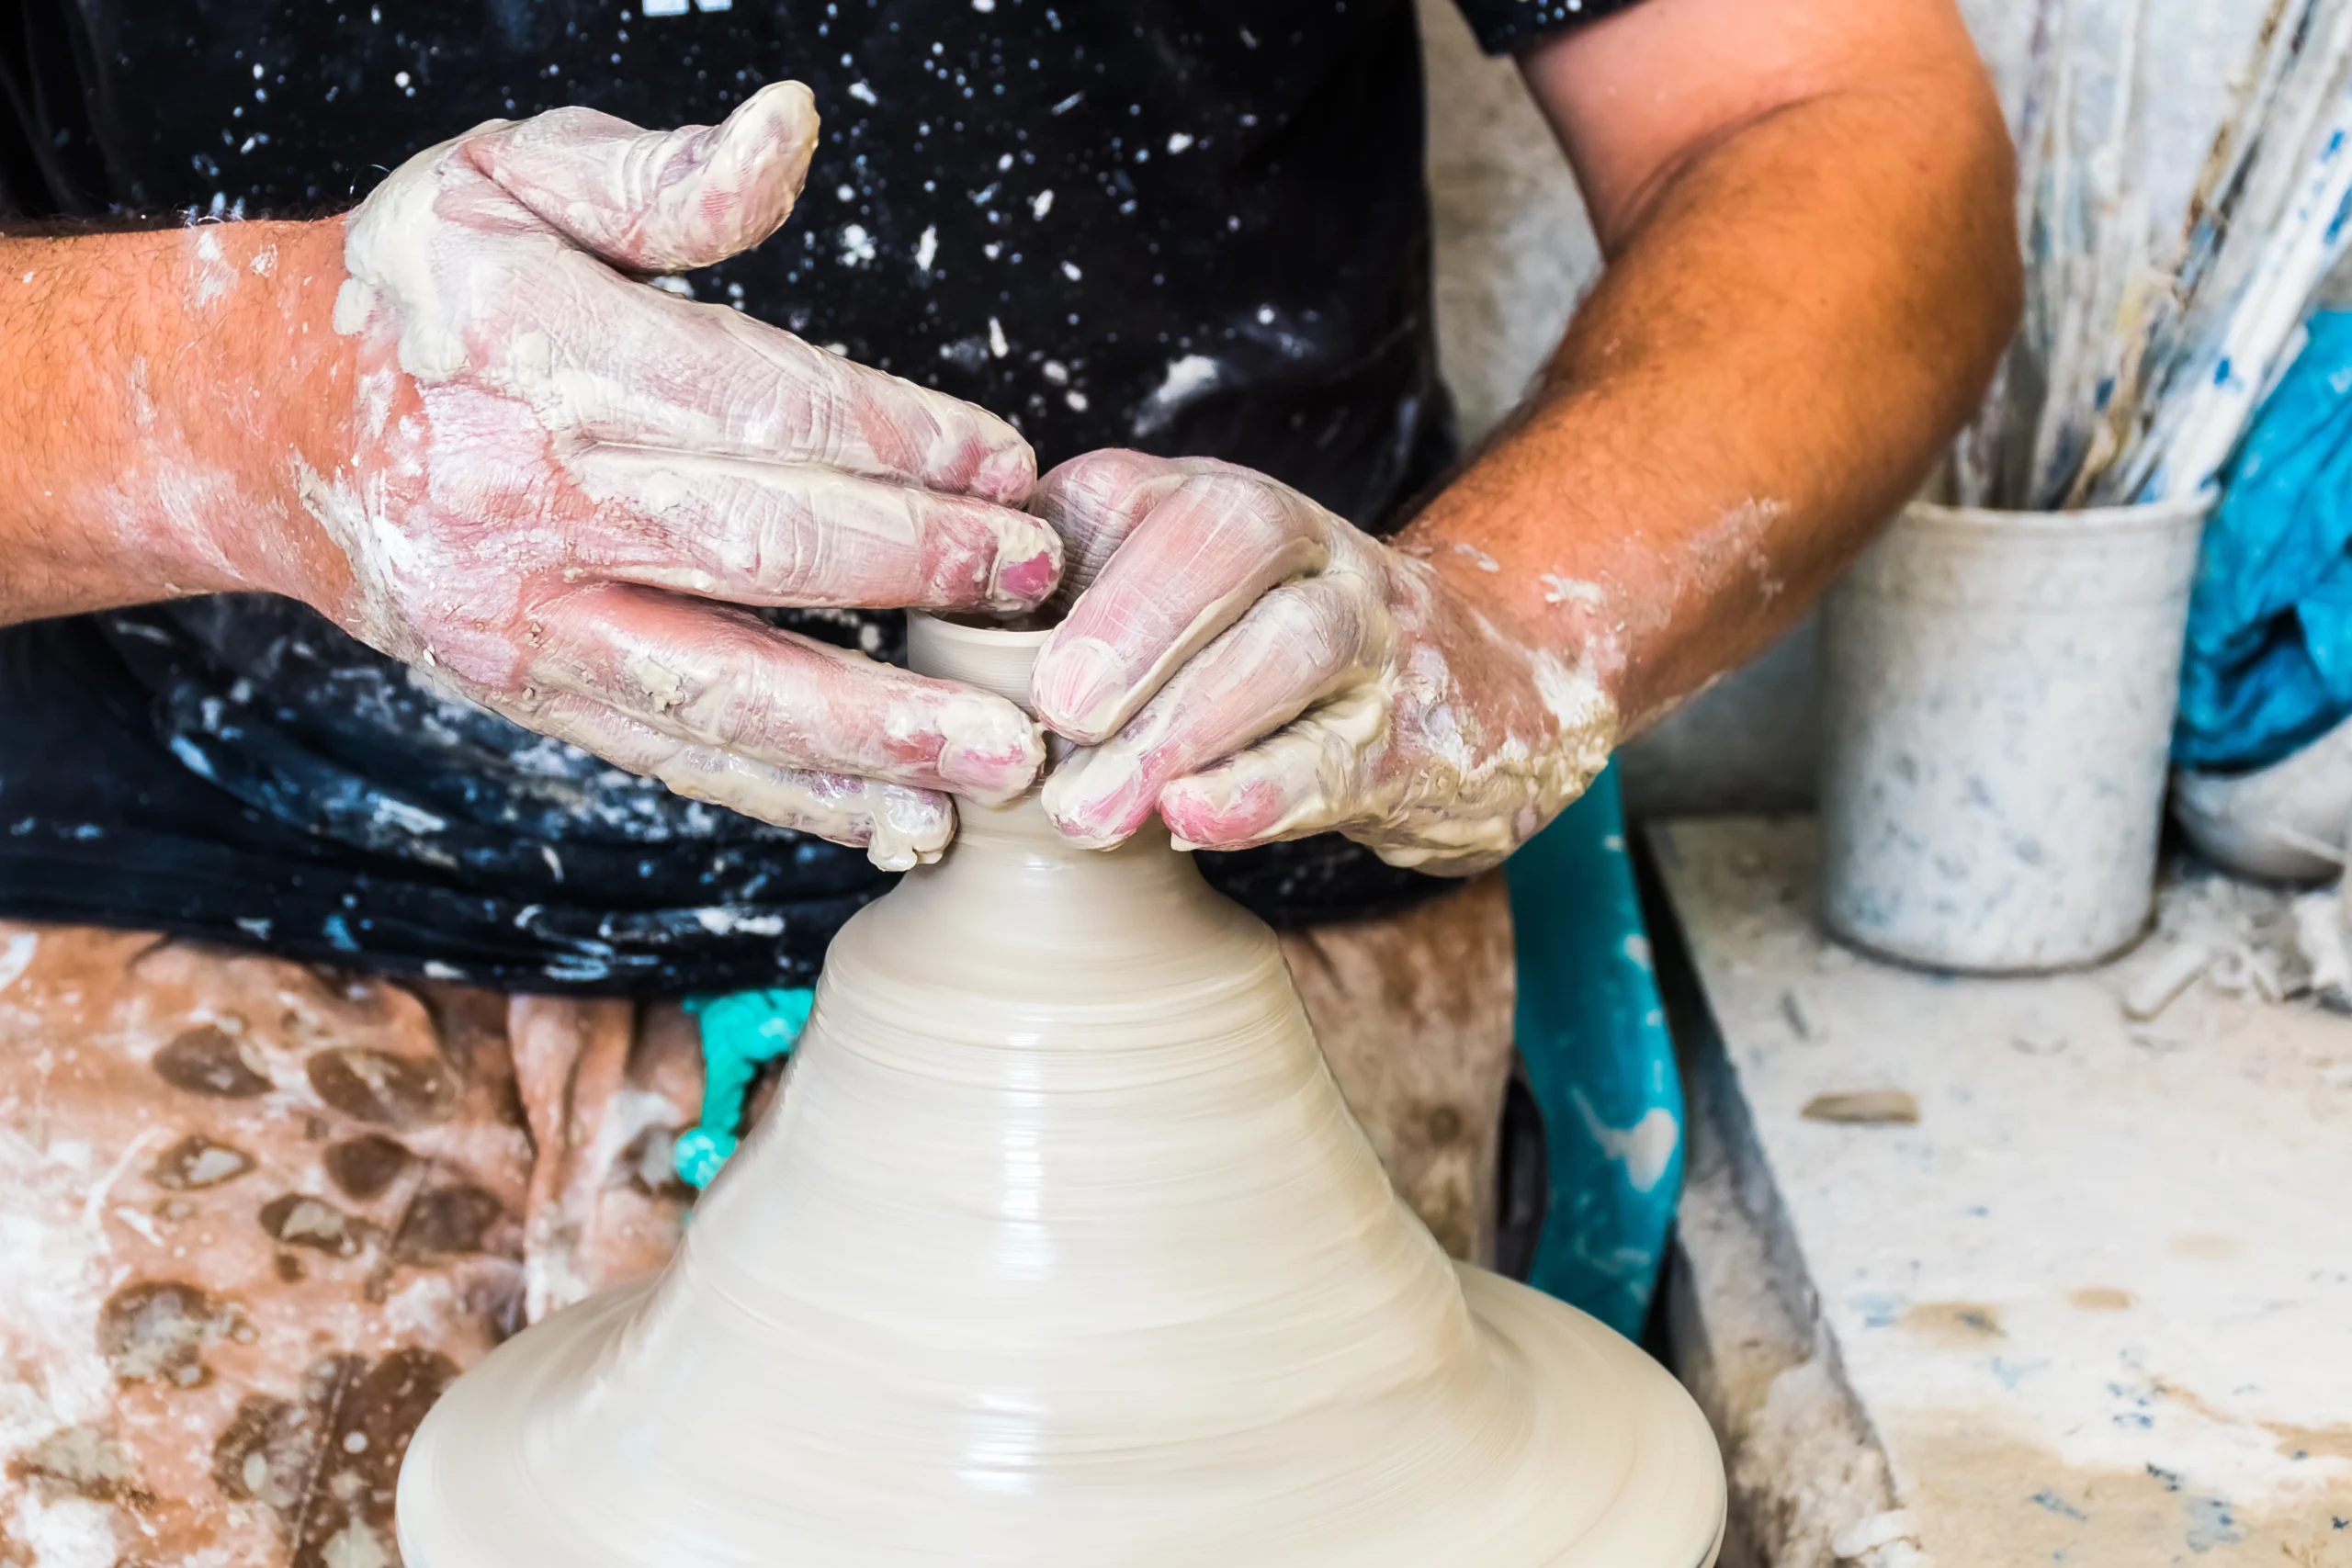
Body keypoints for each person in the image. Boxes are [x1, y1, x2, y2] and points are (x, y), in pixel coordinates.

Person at [0, 0, 2017, 1559]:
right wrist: (239, 400)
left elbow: (1833, 125)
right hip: (205, 869)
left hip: (1223, 895)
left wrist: (1496, 620)